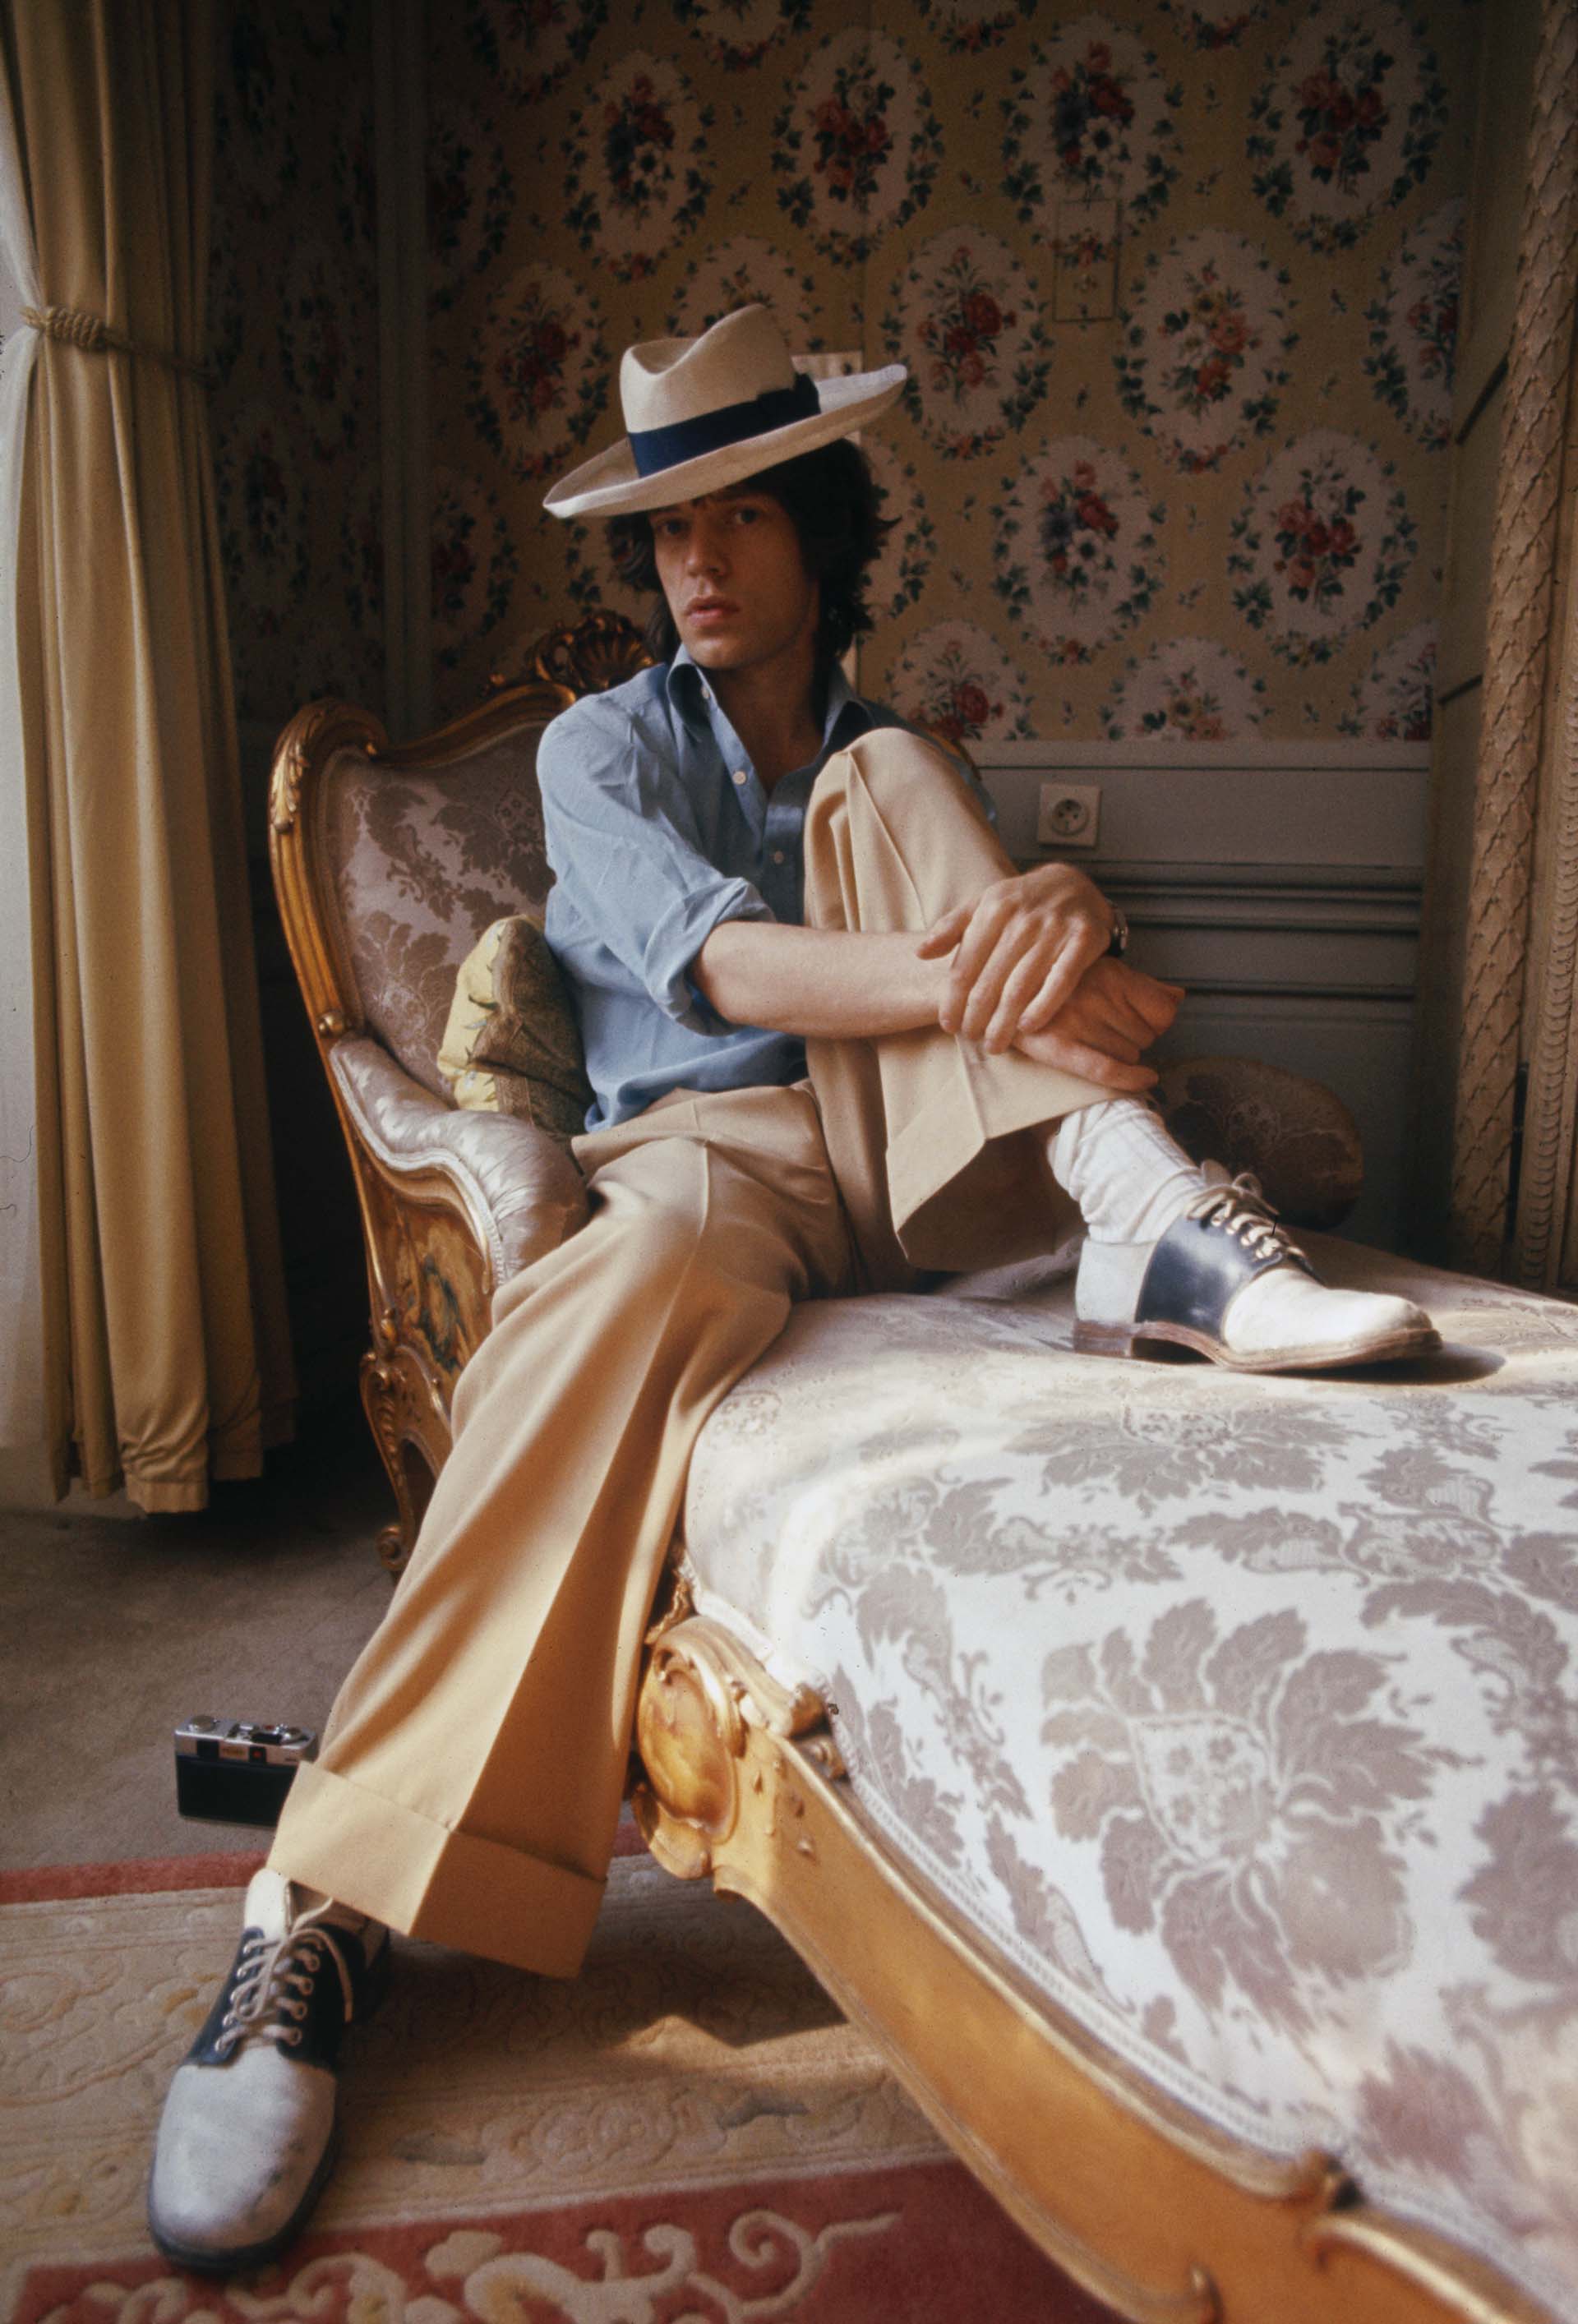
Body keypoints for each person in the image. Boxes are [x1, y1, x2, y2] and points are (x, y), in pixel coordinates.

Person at [146, 304, 1437, 2273]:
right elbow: (730, 977)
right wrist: (1018, 952)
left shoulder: (885, 764)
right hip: (718, 1164)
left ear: (821, 531)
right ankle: (316, 1905)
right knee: (629, 1261)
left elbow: (949, 953)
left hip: (925, 1178)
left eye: (741, 516)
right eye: (667, 532)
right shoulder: (599, 750)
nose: (698, 563)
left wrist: (1056, 904)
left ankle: (1140, 1203)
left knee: (899, 777)